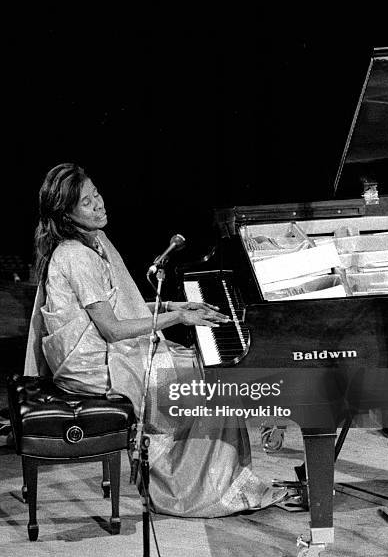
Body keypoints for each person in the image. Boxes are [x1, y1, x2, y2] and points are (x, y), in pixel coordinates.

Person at [25, 163, 287, 517]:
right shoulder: (76, 255)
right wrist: (177, 317)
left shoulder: (94, 242)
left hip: (107, 351)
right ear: (67, 215)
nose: (99, 204)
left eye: (96, 193)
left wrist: (171, 304)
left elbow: (119, 307)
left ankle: (223, 479)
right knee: (202, 375)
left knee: (199, 363)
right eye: (86, 203)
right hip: (92, 366)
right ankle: (195, 489)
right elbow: (113, 329)